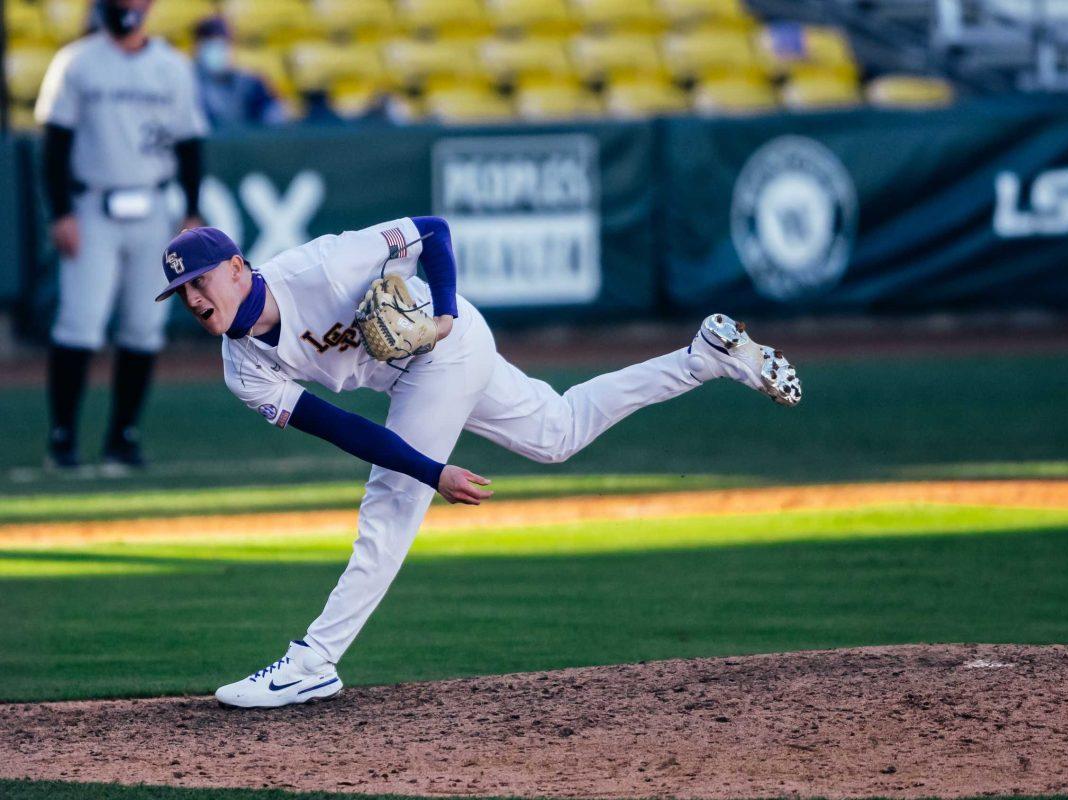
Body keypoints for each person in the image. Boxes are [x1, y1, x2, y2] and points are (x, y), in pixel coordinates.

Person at [156, 219, 802, 708]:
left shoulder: (320, 267)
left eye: (199, 282)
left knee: (390, 504)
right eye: (181, 293)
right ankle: (705, 356)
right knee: (558, 431)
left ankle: (314, 662)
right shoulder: (243, 368)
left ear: (239, 267)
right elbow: (340, 427)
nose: (192, 300)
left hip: (449, 345)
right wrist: (430, 468)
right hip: (415, 375)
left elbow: (432, 230)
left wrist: (439, 317)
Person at [35, 0, 208, 471]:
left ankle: (123, 437)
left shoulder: (171, 66)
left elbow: (190, 143)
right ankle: (63, 436)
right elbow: (54, 143)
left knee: (143, 324)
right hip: (92, 204)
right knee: (79, 321)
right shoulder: (78, 60)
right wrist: (61, 212)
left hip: (152, 205)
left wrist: (191, 209)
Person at [192, 15, 287, 129]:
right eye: (209, 42)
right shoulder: (188, 83)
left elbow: (275, 115)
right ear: (197, 47)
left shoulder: (251, 82)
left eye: (222, 43)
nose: (217, 49)